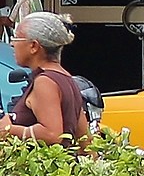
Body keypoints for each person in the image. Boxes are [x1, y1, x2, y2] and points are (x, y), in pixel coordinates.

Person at [0, 12, 87, 146]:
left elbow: (52, 134)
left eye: (16, 38)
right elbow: (85, 139)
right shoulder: (66, 78)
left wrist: (9, 130)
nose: (12, 44)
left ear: (34, 46)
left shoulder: (45, 82)